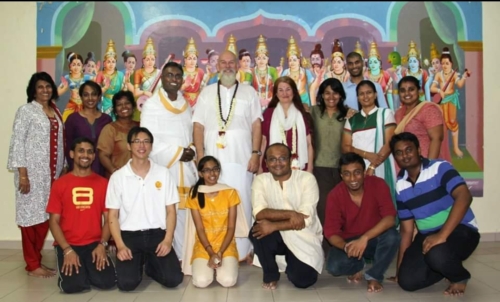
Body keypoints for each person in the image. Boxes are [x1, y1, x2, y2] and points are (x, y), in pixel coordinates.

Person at [193, 50, 262, 263]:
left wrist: (255, 153)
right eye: (223, 62)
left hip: (242, 159)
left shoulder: (249, 92)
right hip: (213, 159)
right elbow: (198, 126)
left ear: (238, 65)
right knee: (215, 203)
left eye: (232, 62)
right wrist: (201, 157)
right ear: (217, 66)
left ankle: (243, 251)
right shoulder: (206, 92)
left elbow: (256, 124)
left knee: (243, 200)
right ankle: (213, 248)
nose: (227, 66)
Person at [389, 132, 479, 296]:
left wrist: (442, 235)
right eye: (399, 152)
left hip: (461, 229)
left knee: (436, 253)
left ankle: (459, 276)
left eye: (409, 150)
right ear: (395, 157)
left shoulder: (439, 167)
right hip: (426, 234)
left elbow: (465, 197)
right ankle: (445, 267)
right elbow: (407, 230)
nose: (405, 156)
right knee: (407, 282)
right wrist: (399, 270)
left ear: (418, 149)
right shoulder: (400, 184)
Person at [106, 127, 184, 291]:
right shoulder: (118, 177)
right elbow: (112, 215)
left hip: (157, 235)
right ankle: (138, 262)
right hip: (129, 236)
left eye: (146, 141)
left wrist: (168, 240)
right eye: (137, 141)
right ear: (129, 146)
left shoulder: (163, 173)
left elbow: (171, 211)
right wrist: (120, 245)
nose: (142, 145)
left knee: (174, 279)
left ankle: (149, 265)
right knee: (127, 284)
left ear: (151, 146)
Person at [7, 72, 66, 278]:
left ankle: (36, 261)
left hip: (52, 177)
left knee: (45, 217)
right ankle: (32, 265)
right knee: (30, 220)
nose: (45, 90)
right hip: (32, 175)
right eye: (40, 87)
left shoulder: (56, 111)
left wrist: (64, 167)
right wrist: (23, 174)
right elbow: (17, 142)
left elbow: (60, 142)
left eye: (48, 86)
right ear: (33, 90)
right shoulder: (26, 111)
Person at [140, 61, 198, 261]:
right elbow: (148, 141)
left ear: (182, 79)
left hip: (187, 168)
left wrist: (191, 150)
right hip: (165, 168)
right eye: (169, 75)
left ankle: (187, 254)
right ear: (162, 78)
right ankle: (168, 257)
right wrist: (178, 152)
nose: (173, 79)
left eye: (177, 76)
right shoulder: (151, 106)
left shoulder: (186, 105)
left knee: (188, 212)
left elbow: (189, 134)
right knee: (167, 211)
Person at [46, 137, 116, 293]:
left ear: (94, 156)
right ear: (72, 154)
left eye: (90, 152)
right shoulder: (60, 184)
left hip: (94, 244)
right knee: (73, 287)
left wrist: (102, 244)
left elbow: (109, 219)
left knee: (107, 282)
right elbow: (54, 222)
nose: (86, 155)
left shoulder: (103, 183)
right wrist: (67, 250)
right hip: (69, 244)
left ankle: (87, 268)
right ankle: (80, 271)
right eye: (81, 151)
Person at [250, 143, 324, 289]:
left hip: (302, 236)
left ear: (290, 160)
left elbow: (305, 219)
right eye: (272, 159)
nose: (277, 163)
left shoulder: (307, 179)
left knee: (304, 281)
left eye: (282, 158)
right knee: (257, 230)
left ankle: (293, 261)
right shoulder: (261, 180)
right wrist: (292, 214)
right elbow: (259, 213)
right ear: (266, 163)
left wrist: (274, 225)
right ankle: (271, 274)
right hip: (276, 236)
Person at [323, 152, 399, 293]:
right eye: (347, 174)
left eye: (357, 172)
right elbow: (331, 232)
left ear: (364, 172)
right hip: (350, 241)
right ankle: (359, 264)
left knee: (392, 236)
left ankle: (374, 275)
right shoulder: (334, 195)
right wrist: (346, 247)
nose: (352, 179)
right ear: (341, 176)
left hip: (375, 237)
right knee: (334, 267)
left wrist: (364, 238)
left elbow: (390, 218)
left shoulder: (378, 184)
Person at [185, 156, 240, 288]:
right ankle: (211, 266)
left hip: (225, 245)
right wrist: (211, 253)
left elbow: (231, 227)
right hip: (205, 246)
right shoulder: (194, 193)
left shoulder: (229, 192)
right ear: (200, 173)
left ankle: (220, 265)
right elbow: (200, 228)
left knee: (228, 281)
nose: (212, 173)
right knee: (201, 282)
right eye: (207, 170)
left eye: (215, 169)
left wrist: (220, 252)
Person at [310, 78, 348, 254]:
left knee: (342, 208)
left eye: (335, 92)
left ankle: (342, 247)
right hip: (320, 167)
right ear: (321, 95)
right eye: (326, 93)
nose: (331, 97)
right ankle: (325, 248)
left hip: (342, 169)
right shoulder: (314, 112)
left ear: (340, 95)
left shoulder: (348, 114)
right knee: (323, 208)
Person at [261, 76, 314, 173]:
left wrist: (310, 168)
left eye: (288, 89)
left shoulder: (303, 114)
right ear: (276, 94)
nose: (284, 93)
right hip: (274, 168)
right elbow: (263, 142)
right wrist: (259, 166)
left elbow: (309, 144)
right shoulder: (268, 114)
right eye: (280, 90)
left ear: (294, 92)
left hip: (298, 167)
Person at [394, 76, 451, 163]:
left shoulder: (428, 109)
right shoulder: (398, 113)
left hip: (424, 163)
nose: (407, 93)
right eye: (402, 91)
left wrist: (429, 166)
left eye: (411, 89)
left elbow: (436, 139)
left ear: (419, 91)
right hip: (405, 165)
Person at [65, 81, 112, 176]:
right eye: (86, 95)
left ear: (99, 97)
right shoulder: (73, 119)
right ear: (81, 97)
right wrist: (72, 170)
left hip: (102, 171)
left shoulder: (107, 119)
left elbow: (110, 148)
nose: (90, 98)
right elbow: (68, 147)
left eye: (94, 94)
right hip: (79, 171)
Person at [97, 90, 139, 179]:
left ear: (133, 106)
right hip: (118, 179)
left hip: (140, 178)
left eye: (127, 103)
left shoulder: (141, 127)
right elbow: (103, 155)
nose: (124, 107)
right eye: (119, 105)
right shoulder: (110, 129)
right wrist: (114, 172)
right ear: (115, 110)